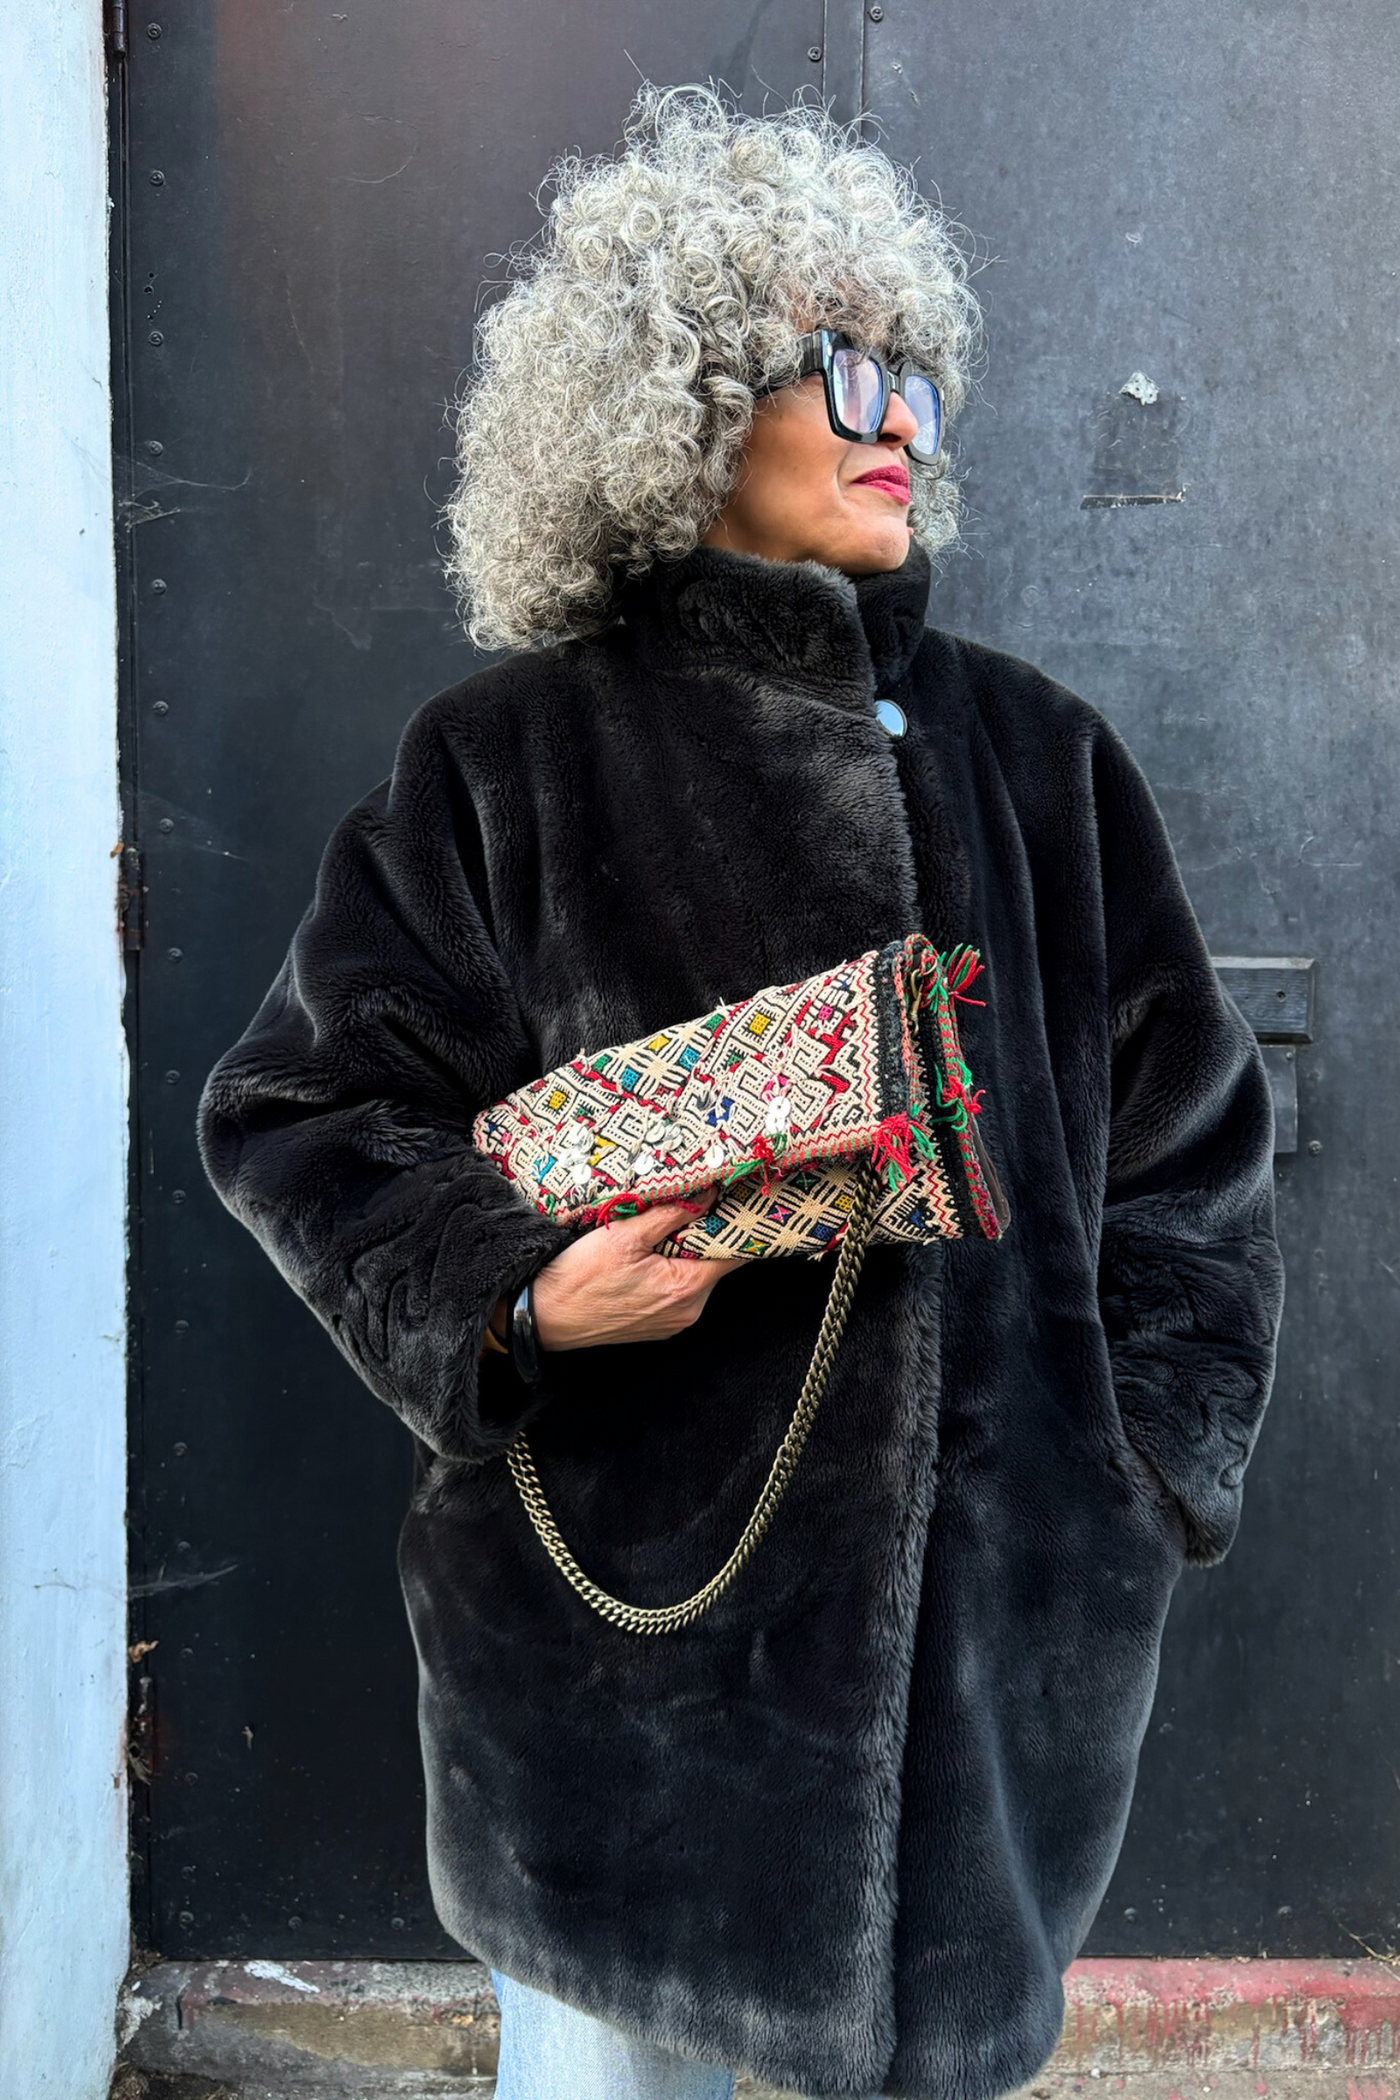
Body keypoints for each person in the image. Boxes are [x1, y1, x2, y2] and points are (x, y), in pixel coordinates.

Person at [197, 86, 1284, 2100]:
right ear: (682, 403)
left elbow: (1192, 1157)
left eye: (917, 378)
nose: (900, 424)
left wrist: (1136, 1475)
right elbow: (306, 1109)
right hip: (617, 1684)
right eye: (841, 367)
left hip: (987, 1689)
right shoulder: (506, 762)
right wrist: (520, 1300)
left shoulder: (1044, 762)